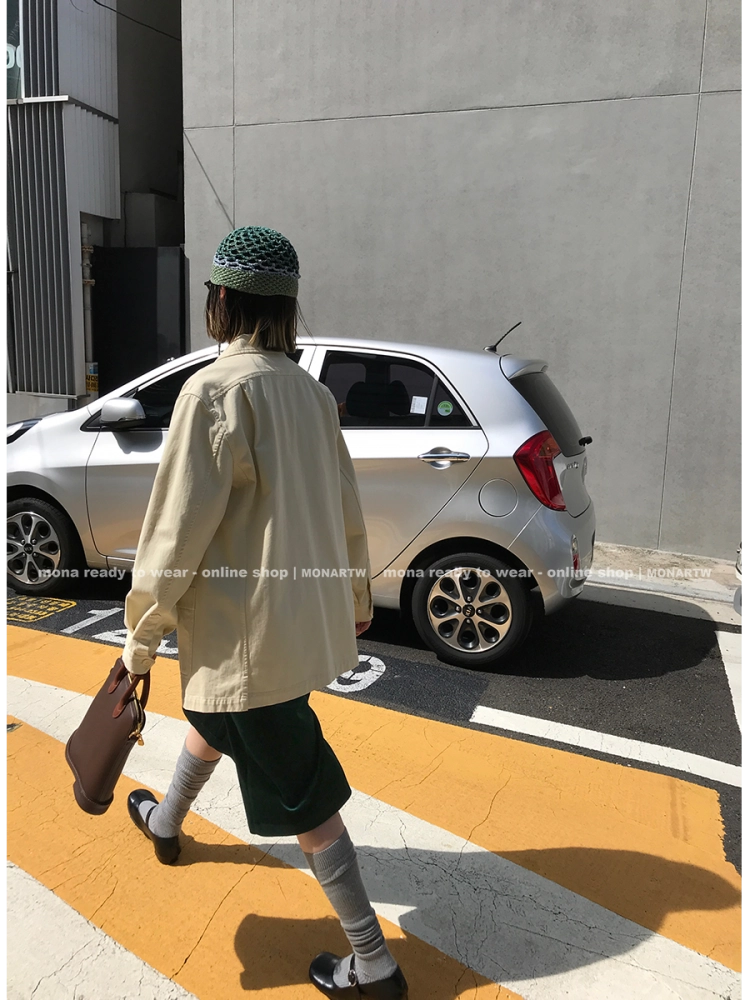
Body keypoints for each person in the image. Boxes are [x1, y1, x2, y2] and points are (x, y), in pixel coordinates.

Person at [121, 226, 408, 999]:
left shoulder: (214, 392)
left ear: (220, 298)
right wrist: (355, 597)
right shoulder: (311, 395)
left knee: (304, 791)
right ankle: (167, 824)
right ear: (285, 306)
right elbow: (346, 511)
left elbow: (174, 532)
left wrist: (140, 638)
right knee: (216, 721)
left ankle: (374, 964)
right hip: (291, 630)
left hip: (242, 636)